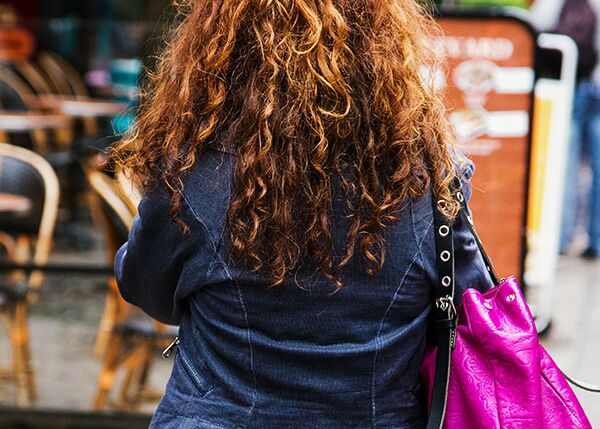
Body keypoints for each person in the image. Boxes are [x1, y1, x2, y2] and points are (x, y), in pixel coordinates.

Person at [112, 1, 493, 427]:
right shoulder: (429, 178)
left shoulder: (192, 173)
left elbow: (146, 290)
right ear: (383, 46)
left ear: (222, 47)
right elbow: (469, 309)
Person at [530, 0, 600, 257]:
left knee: (563, 164)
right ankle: (596, 240)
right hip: (593, 82)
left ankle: (560, 239)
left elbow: (535, 24)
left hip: (571, 82)